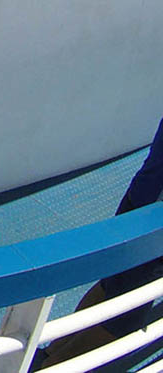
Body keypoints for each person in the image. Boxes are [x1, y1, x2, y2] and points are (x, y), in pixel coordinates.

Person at [40, 118, 163, 368]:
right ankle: (52, 364)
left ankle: (51, 353)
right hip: (153, 224)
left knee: (112, 286)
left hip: (140, 202)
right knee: (124, 319)